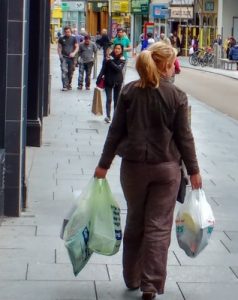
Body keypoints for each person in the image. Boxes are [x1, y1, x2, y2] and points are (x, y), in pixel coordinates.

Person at [94, 41, 202, 300]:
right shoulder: (176, 96)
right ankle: (150, 285)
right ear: (166, 65)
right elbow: (185, 138)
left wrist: (103, 165)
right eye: (173, 63)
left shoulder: (130, 91)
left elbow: (115, 131)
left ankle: (131, 276)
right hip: (166, 170)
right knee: (158, 227)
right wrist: (194, 170)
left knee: (135, 220)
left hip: (133, 169)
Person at [96, 44, 125, 123]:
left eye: (119, 48)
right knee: (109, 99)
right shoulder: (108, 57)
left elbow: (118, 69)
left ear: (121, 50)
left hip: (118, 81)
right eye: (116, 48)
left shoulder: (122, 58)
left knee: (116, 100)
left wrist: (110, 62)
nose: (117, 50)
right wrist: (99, 78)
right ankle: (108, 116)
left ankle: (115, 116)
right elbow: (103, 69)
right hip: (108, 80)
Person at [57, 26, 79, 91]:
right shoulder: (61, 39)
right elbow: (59, 47)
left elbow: (77, 47)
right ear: (64, 32)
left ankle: (69, 83)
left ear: (70, 32)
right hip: (64, 57)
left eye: (68, 32)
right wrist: (60, 55)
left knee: (70, 72)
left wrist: (74, 53)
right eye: (66, 32)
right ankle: (64, 86)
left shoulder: (73, 38)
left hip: (71, 58)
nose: (67, 33)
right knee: (64, 71)